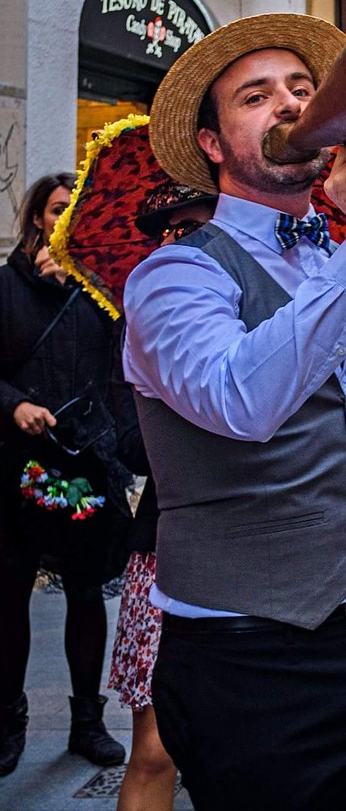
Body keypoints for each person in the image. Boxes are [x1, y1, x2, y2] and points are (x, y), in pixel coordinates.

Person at [122, 15, 346, 811]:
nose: (289, 105)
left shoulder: (334, 259)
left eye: (304, 90)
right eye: (256, 95)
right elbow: (241, 402)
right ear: (212, 144)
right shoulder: (174, 276)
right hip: (248, 658)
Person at [0, 175, 129, 776]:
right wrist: (13, 404)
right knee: (7, 602)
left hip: (84, 466)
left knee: (85, 594)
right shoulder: (4, 288)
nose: (65, 219)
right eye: (57, 210)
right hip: (14, 470)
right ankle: (8, 722)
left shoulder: (98, 293)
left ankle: (87, 722)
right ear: (35, 221)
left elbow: (123, 371)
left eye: (73, 211)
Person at [109, 182, 217, 811]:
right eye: (168, 233)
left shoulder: (269, 313)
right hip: (167, 553)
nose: (179, 243)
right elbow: (125, 440)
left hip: (263, 563)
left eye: (197, 227)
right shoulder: (144, 320)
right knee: (155, 751)